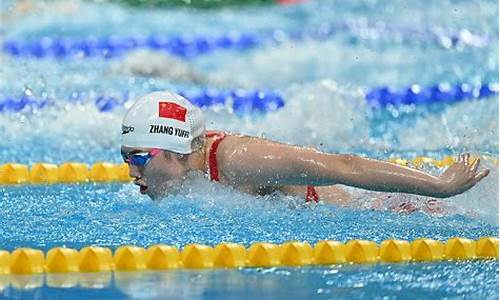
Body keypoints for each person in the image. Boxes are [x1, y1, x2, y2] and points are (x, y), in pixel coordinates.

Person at [120, 90, 490, 207]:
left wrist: (439, 185)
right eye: (126, 158)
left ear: (177, 151)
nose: (132, 172)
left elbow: (342, 165)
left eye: (139, 158)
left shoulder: (238, 160)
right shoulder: (192, 174)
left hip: (387, 212)